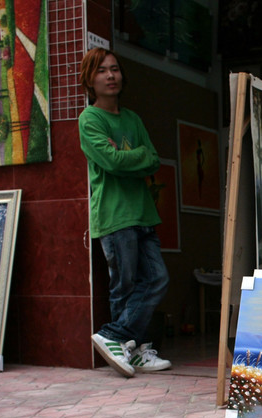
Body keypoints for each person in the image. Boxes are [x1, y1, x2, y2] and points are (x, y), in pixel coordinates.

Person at [78, 47, 171, 377]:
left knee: (157, 278)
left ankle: (117, 338)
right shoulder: (90, 119)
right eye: (102, 70)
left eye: (115, 69)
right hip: (114, 215)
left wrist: (128, 161)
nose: (110, 75)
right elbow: (111, 162)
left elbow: (154, 159)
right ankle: (134, 348)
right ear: (90, 79)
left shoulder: (132, 119)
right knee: (124, 286)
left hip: (143, 212)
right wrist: (134, 160)